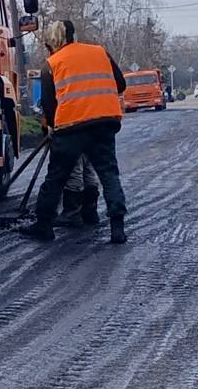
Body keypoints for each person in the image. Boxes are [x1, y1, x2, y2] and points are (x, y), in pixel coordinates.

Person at [27, 17, 129, 244]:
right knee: (109, 174)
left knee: (56, 177)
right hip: (104, 123)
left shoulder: (52, 64)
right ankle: (117, 228)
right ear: (73, 35)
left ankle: (44, 225)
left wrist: (51, 129)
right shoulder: (100, 52)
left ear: (53, 41)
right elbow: (121, 84)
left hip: (71, 128)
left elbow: (49, 104)